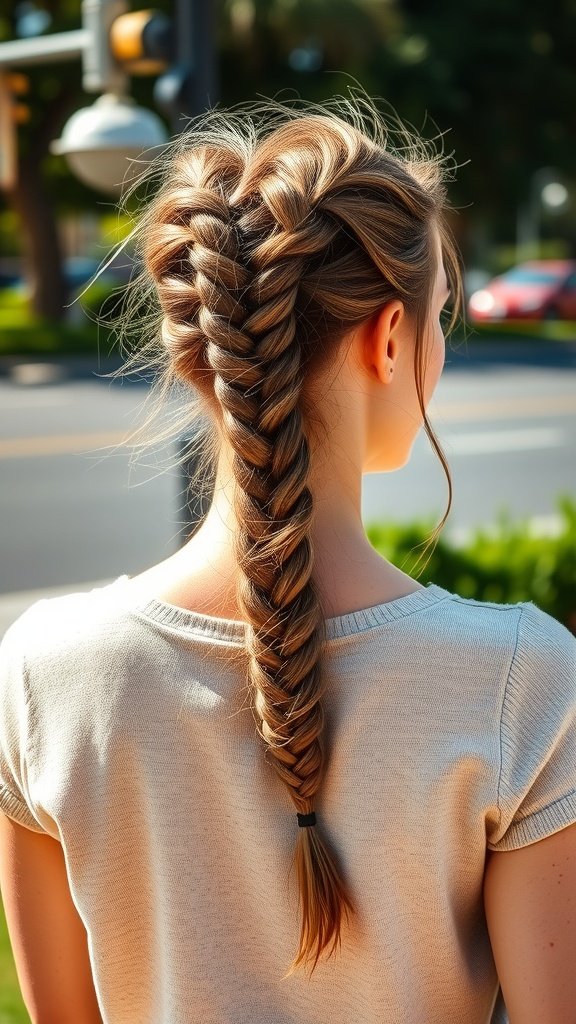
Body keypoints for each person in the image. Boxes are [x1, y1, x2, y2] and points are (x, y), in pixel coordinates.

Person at [0, 92, 575, 1024]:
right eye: (438, 318)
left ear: (204, 346)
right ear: (389, 339)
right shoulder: (522, 682)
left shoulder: (45, 674)